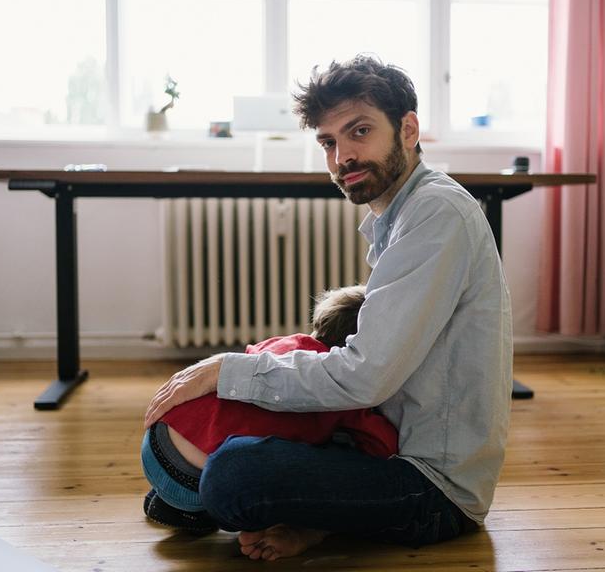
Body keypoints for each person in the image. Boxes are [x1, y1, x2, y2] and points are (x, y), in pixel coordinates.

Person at [144, 55, 513, 561]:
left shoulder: (436, 214)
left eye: (360, 131)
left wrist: (227, 370)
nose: (343, 156)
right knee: (224, 459)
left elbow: (365, 378)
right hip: (385, 445)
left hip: (433, 488)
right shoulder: (401, 216)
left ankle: (300, 517)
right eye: (329, 142)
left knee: (234, 476)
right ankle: (268, 506)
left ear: (408, 130)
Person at [141, 285, 398, 532]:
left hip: (157, 439)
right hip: (191, 478)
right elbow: (382, 446)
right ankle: (191, 510)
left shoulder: (284, 343)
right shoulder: (344, 385)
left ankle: (163, 496)